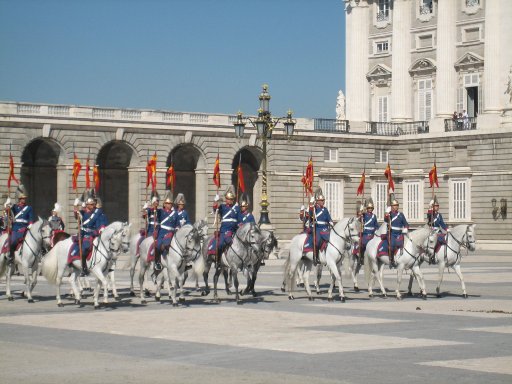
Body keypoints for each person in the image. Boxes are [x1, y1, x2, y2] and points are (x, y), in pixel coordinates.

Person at [4, 185, 34, 265]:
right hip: (16, 228)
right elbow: (8, 213)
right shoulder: (14, 207)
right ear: (19, 199)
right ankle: (11, 256)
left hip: (25, 228)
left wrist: (30, 224)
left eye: (24, 198)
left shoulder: (29, 208)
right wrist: (7, 205)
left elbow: (31, 217)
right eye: (22, 199)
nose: (24, 200)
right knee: (13, 241)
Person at [73, 195, 102, 276]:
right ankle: (84, 267)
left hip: (94, 233)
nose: (93, 205)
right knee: (85, 247)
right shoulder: (83, 213)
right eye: (91, 204)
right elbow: (76, 216)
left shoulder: (95, 213)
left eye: (93, 204)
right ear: (87, 205)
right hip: (85, 234)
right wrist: (75, 206)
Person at [212, 187, 240, 260]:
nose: (229, 201)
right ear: (226, 199)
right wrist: (216, 201)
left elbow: (239, 218)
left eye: (231, 199)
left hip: (234, 230)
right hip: (224, 230)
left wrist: (240, 224)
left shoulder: (236, 208)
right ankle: (218, 260)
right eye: (228, 199)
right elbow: (215, 208)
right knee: (220, 244)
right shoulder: (223, 207)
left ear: (233, 200)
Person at [154, 192, 177, 271]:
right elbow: (155, 211)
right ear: (164, 204)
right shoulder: (161, 211)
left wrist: (177, 228)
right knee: (158, 245)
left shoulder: (175, 213)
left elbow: (177, 223)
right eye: (167, 203)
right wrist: (154, 204)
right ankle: (157, 262)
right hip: (162, 232)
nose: (169, 205)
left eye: (170, 203)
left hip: (172, 233)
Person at [384, 199, 409, 268]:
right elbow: (385, 219)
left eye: (397, 205)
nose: (396, 207)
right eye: (394, 205)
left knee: (404, 245)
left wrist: (406, 228)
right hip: (392, 233)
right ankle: (391, 260)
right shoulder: (390, 214)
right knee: (392, 246)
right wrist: (387, 213)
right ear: (391, 207)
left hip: (400, 233)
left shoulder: (401, 214)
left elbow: (406, 223)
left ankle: (403, 260)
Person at [312, 193, 333, 265]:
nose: (323, 202)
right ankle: (316, 257)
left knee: (331, 240)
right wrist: (311, 205)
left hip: (325, 228)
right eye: (321, 200)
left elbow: (328, 217)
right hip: (318, 228)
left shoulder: (325, 209)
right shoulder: (314, 208)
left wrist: (330, 221)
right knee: (317, 242)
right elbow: (310, 214)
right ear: (317, 201)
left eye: (323, 200)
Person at [427, 198, 448, 264]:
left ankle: (443, 254)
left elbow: (442, 223)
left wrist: (447, 229)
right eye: (436, 206)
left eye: (438, 206)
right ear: (433, 207)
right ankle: (432, 256)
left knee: (444, 240)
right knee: (433, 242)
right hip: (432, 231)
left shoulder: (439, 215)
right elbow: (429, 217)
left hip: (438, 231)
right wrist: (430, 207)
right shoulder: (431, 214)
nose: (437, 207)